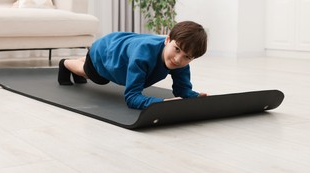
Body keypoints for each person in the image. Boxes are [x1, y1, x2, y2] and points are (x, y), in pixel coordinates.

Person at [58, 20, 208, 110]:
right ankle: (65, 63)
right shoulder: (143, 56)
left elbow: (182, 89)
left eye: (187, 57)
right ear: (167, 40)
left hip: (121, 47)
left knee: (91, 63)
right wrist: (161, 104)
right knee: (94, 75)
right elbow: (132, 97)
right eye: (177, 49)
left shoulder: (181, 62)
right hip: (105, 50)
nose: (178, 59)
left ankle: (85, 59)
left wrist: (193, 96)